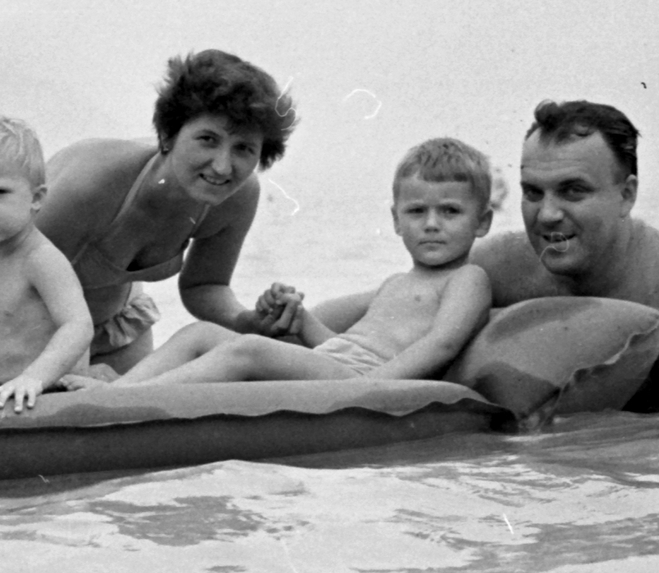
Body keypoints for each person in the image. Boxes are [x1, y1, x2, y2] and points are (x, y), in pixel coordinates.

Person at [0, 49, 299, 375]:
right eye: (207, 139)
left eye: (243, 148)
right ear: (169, 133)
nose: (223, 166)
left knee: (123, 417)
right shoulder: (90, 184)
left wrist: (245, 321)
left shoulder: (237, 198)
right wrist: (63, 374)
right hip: (3, 277)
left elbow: (205, 286)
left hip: (111, 304)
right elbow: (16, 284)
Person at [102, 137, 494, 387]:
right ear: (395, 220)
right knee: (201, 333)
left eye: (450, 212)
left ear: (483, 222)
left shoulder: (467, 279)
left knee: (250, 350)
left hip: (366, 381)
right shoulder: (395, 283)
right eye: (416, 211)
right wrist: (301, 318)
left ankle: (133, 405)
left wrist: (374, 388)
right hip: (339, 367)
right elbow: (342, 348)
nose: (431, 225)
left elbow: (443, 344)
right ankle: (117, 393)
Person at [476, 100, 659, 412]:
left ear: (627, 195)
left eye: (573, 191)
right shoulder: (493, 270)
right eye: (533, 192)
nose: (547, 214)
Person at [0, 117, 94, 411]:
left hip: (49, 391)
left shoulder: (40, 258)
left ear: (36, 198)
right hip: (7, 389)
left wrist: (34, 378)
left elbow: (78, 325)